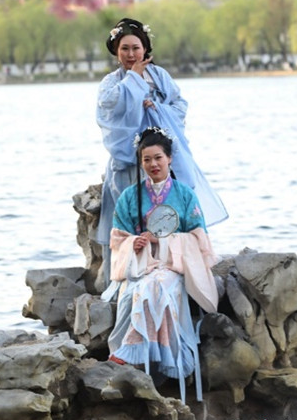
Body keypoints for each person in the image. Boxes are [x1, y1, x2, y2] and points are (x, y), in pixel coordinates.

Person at [96, 17, 228, 284]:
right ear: (116, 52)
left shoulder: (160, 76)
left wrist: (156, 108)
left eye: (136, 48)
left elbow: (179, 106)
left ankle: (178, 268)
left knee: (174, 206)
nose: (131, 54)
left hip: (161, 155)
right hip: (129, 159)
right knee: (130, 211)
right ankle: (125, 277)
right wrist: (133, 81)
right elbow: (108, 110)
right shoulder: (111, 82)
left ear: (145, 48)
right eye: (124, 48)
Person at [101, 127, 219, 403]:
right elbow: (117, 239)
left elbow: (199, 239)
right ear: (140, 162)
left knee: (157, 285)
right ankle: (155, 351)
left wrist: (164, 241)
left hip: (173, 265)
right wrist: (135, 243)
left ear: (169, 159)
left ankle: (132, 346)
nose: (153, 164)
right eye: (147, 159)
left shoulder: (185, 195)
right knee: (143, 287)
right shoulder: (129, 196)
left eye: (158, 158)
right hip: (141, 264)